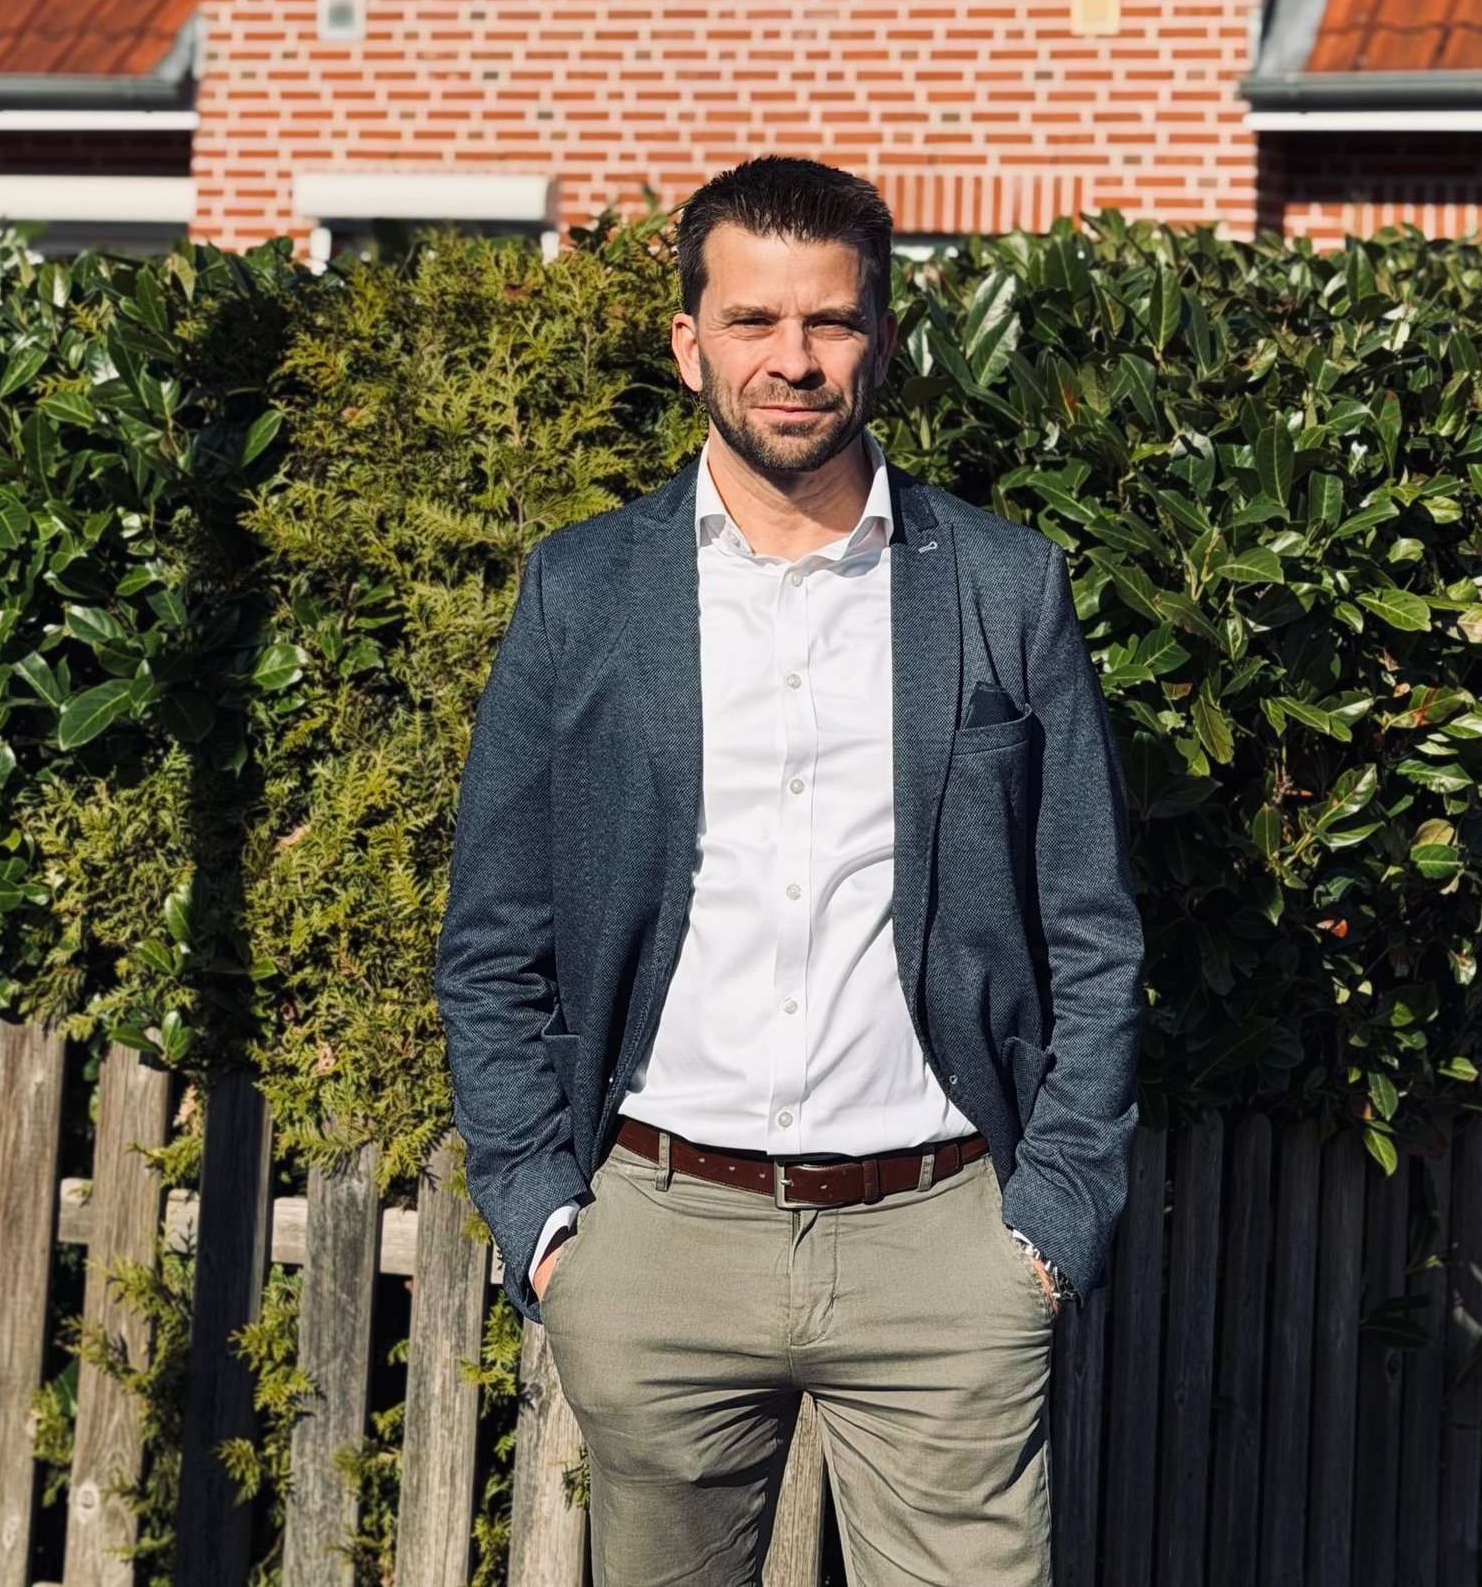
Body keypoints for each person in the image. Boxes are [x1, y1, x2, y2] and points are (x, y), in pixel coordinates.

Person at [435, 156, 1144, 1587]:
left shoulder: (1005, 587)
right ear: (689, 341)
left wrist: (1051, 1222)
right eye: (753, 322)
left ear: (880, 337)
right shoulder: (583, 590)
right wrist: (545, 1219)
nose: (795, 360)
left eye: (828, 323)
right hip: (658, 1237)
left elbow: (1092, 930)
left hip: (946, 1241)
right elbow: (493, 938)